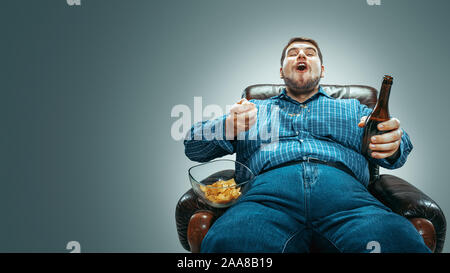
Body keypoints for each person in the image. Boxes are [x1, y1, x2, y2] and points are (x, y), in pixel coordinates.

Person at [183, 37, 430, 253]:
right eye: (293, 53)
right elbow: (193, 146)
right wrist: (228, 125)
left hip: (349, 200)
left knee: (397, 241)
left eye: (310, 53)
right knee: (231, 243)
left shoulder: (354, 110)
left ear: (322, 70)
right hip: (264, 198)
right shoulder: (251, 110)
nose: (301, 55)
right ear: (281, 71)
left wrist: (395, 142)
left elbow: (395, 151)